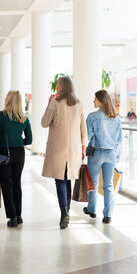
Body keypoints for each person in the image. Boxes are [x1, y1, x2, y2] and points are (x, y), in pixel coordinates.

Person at [41, 76, 87, 229]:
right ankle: (66, 211)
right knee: (67, 180)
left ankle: (64, 212)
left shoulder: (55, 103)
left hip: (58, 148)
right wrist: (83, 146)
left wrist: (48, 105)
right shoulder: (78, 104)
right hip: (73, 149)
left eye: (58, 85)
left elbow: (44, 123)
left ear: (62, 86)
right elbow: (83, 128)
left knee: (60, 180)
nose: (57, 87)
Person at [0, 91, 33, 228]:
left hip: (3, 153)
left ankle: (12, 218)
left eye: (6, 96)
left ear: (11, 100)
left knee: (6, 185)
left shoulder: (0, 116)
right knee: (16, 183)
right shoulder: (24, 118)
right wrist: (18, 142)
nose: (5, 98)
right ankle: (19, 215)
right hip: (20, 153)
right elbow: (29, 139)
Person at [83, 90, 122, 224]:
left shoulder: (92, 116)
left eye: (95, 99)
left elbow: (87, 135)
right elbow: (119, 140)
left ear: (101, 101)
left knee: (93, 183)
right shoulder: (116, 118)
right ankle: (108, 215)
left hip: (96, 153)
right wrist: (116, 155)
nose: (93, 101)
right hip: (111, 153)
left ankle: (92, 210)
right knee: (108, 185)